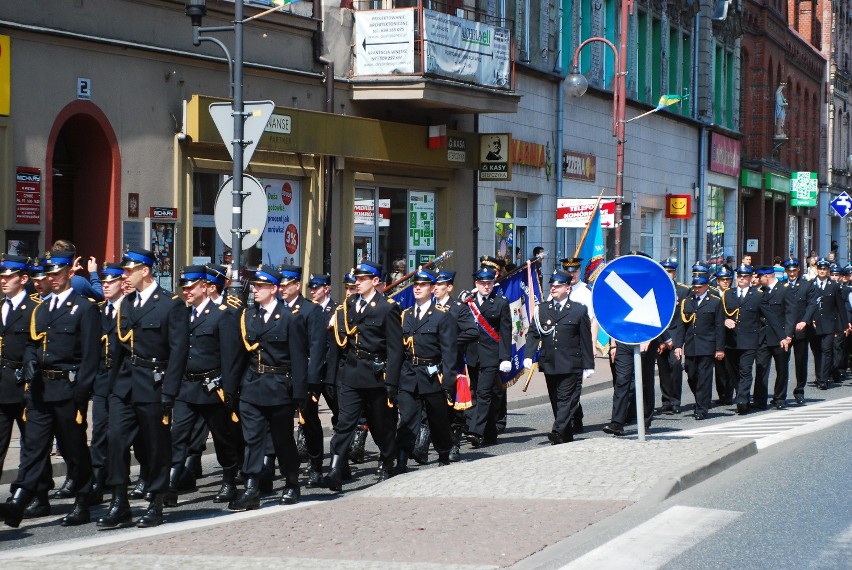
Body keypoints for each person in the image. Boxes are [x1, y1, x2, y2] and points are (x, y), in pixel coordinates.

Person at [1, 250, 99, 528]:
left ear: (69, 273)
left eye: (57, 273)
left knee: (74, 448)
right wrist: (30, 361)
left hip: (68, 389)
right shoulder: (42, 308)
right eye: (49, 274)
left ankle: (83, 498)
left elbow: (91, 357)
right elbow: (32, 343)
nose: (52, 279)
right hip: (41, 389)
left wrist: (81, 395)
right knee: (33, 447)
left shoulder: (85, 308)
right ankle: (19, 499)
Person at [98, 247, 188, 529]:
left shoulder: (170, 304)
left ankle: (156, 501)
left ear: (145, 271)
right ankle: (119, 501)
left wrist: (170, 392)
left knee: (155, 446)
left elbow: (178, 352)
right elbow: (119, 348)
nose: (124, 276)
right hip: (125, 384)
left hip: (154, 383)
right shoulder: (127, 304)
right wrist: (112, 386)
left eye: (128, 270)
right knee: (115, 439)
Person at [228, 265, 308, 510]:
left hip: (278, 386)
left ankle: (291, 482)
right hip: (252, 385)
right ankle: (252, 487)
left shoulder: (289, 317)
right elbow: (239, 356)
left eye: (261, 287)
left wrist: (299, 395)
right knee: (252, 438)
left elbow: (297, 358)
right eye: (254, 286)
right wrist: (232, 388)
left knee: (282, 439)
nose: (255, 290)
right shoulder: (248, 316)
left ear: (273, 289)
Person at [322, 259, 402, 490]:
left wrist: (392, 381)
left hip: (376, 375)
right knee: (345, 423)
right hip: (350, 373)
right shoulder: (347, 306)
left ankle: (387, 460)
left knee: (380, 424)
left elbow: (396, 349)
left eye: (362, 279)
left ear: (375, 281)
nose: (357, 283)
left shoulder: (388, 307)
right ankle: (335, 468)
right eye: (356, 279)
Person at [167, 266, 243, 506]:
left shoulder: (222, 315)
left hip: (213, 388)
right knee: (178, 437)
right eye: (184, 288)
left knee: (223, 438)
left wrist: (229, 391)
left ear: (203, 287)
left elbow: (231, 357)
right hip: (187, 387)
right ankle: (170, 484)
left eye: (190, 287)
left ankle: (229, 479)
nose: (186, 292)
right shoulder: (183, 315)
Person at [395, 270, 457, 471]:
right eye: (415, 285)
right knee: (407, 418)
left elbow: (449, 353)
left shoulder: (441, 317)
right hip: (409, 373)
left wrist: (448, 382)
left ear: (432, 289)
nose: (417, 288)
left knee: (437, 417)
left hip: (432, 374)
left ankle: (443, 453)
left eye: (422, 285)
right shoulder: (405, 315)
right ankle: (402, 458)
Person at [524, 269, 594, 443]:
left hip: (571, 363)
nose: (553, 288)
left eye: (558, 286)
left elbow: (585, 339)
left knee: (565, 399)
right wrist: (528, 355)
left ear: (567, 289)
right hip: (550, 362)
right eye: (552, 285)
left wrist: (589, 365)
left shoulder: (578, 310)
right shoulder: (542, 309)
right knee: (556, 400)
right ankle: (565, 435)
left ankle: (557, 431)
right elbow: (534, 333)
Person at [278, 265, 329, 488]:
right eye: (279, 284)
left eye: (286, 284)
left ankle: (316, 465)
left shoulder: (310, 310)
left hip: (304, 376)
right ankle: (282, 465)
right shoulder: (277, 309)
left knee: (308, 422)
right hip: (280, 376)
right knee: (280, 423)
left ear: (296, 286)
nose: (281, 288)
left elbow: (317, 348)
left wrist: (312, 380)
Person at [0, 257, 41, 490]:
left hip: (27, 386)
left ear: (23, 279)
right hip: (2, 386)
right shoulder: (0, 307)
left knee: (32, 444)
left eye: (9, 277)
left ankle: (36, 494)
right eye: (2, 277)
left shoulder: (35, 309)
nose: (4, 281)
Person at [89, 262, 126, 506]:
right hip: (102, 379)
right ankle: (97, 477)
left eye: (110, 282)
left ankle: (141, 475)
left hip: (124, 380)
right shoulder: (99, 310)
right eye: (103, 282)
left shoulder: (131, 309)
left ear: (122, 284)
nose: (105, 286)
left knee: (120, 433)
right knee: (99, 431)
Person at [463, 264, 511, 447]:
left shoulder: (500, 303)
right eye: (483, 283)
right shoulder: (468, 302)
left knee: (483, 393)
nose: (486, 286)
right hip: (473, 355)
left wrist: (505, 357)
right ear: (477, 283)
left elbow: (506, 332)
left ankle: (475, 431)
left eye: (489, 283)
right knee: (478, 392)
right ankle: (490, 433)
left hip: (491, 355)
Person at [433, 269, 478, 462]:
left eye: (439, 285)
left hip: (453, 363)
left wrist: (450, 342)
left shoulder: (458, 308)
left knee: (454, 406)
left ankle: (455, 444)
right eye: (433, 285)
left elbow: (472, 331)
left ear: (449, 287)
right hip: (432, 364)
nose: (435, 289)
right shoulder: (428, 307)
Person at [673, 273, 725, 420]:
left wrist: (719, 348)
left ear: (706, 287)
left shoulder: (715, 302)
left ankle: (701, 408)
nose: (697, 290)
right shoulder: (687, 302)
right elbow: (681, 326)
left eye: (700, 287)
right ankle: (701, 399)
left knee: (704, 377)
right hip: (691, 346)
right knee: (692, 375)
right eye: (695, 287)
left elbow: (719, 327)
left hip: (707, 346)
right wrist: (678, 345)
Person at [720, 265, 764, 414]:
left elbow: (767, 316)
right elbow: (720, 314)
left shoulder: (757, 295)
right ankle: (741, 394)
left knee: (745, 370)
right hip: (731, 341)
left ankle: (742, 400)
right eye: (739, 276)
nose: (742, 279)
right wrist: (725, 320)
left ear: (751, 278)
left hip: (749, 341)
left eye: (745, 277)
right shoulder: (728, 294)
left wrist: (782, 335)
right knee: (733, 372)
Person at [804, 258, 850, 390]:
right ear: (817, 269)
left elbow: (840, 307)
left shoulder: (834, 286)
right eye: (820, 269)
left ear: (828, 270)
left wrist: (844, 325)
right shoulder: (810, 284)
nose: (822, 271)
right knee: (817, 351)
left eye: (825, 269)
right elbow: (807, 305)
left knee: (827, 350)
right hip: (814, 324)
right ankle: (819, 376)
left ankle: (823, 379)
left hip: (829, 324)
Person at [754, 266, 795, 410]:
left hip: (780, 337)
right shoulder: (760, 292)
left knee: (781, 369)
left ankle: (779, 398)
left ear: (767, 276)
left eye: (759, 277)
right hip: (763, 336)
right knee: (761, 368)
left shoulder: (784, 289)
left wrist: (788, 335)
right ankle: (759, 400)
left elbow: (790, 313)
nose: (757, 280)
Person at [656, 259, 690, 415]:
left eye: (670, 271)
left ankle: (676, 401)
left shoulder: (683, 291)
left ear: (675, 273)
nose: (668, 274)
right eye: (665, 271)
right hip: (660, 335)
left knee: (675, 366)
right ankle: (666, 401)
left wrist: (679, 343)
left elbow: (685, 319)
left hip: (676, 334)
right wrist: (662, 339)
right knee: (663, 369)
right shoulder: (655, 290)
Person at [783, 258, 814, 404]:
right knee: (782, 363)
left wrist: (805, 321)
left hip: (801, 330)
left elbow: (811, 305)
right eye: (789, 270)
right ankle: (780, 394)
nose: (791, 273)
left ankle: (800, 391)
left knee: (801, 362)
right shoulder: (781, 286)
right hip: (785, 331)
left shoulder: (806, 285)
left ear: (798, 270)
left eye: (794, 270)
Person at [711, 265, 735, 405]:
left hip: (731, 335)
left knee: (730, 365)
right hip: (716, 334)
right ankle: (722, 394)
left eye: (728, 279)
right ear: (717, 281)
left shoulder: (733, 293)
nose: (725, 282)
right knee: (719, 367)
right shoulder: (712, 294)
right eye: (722, 279)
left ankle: (729, 393)